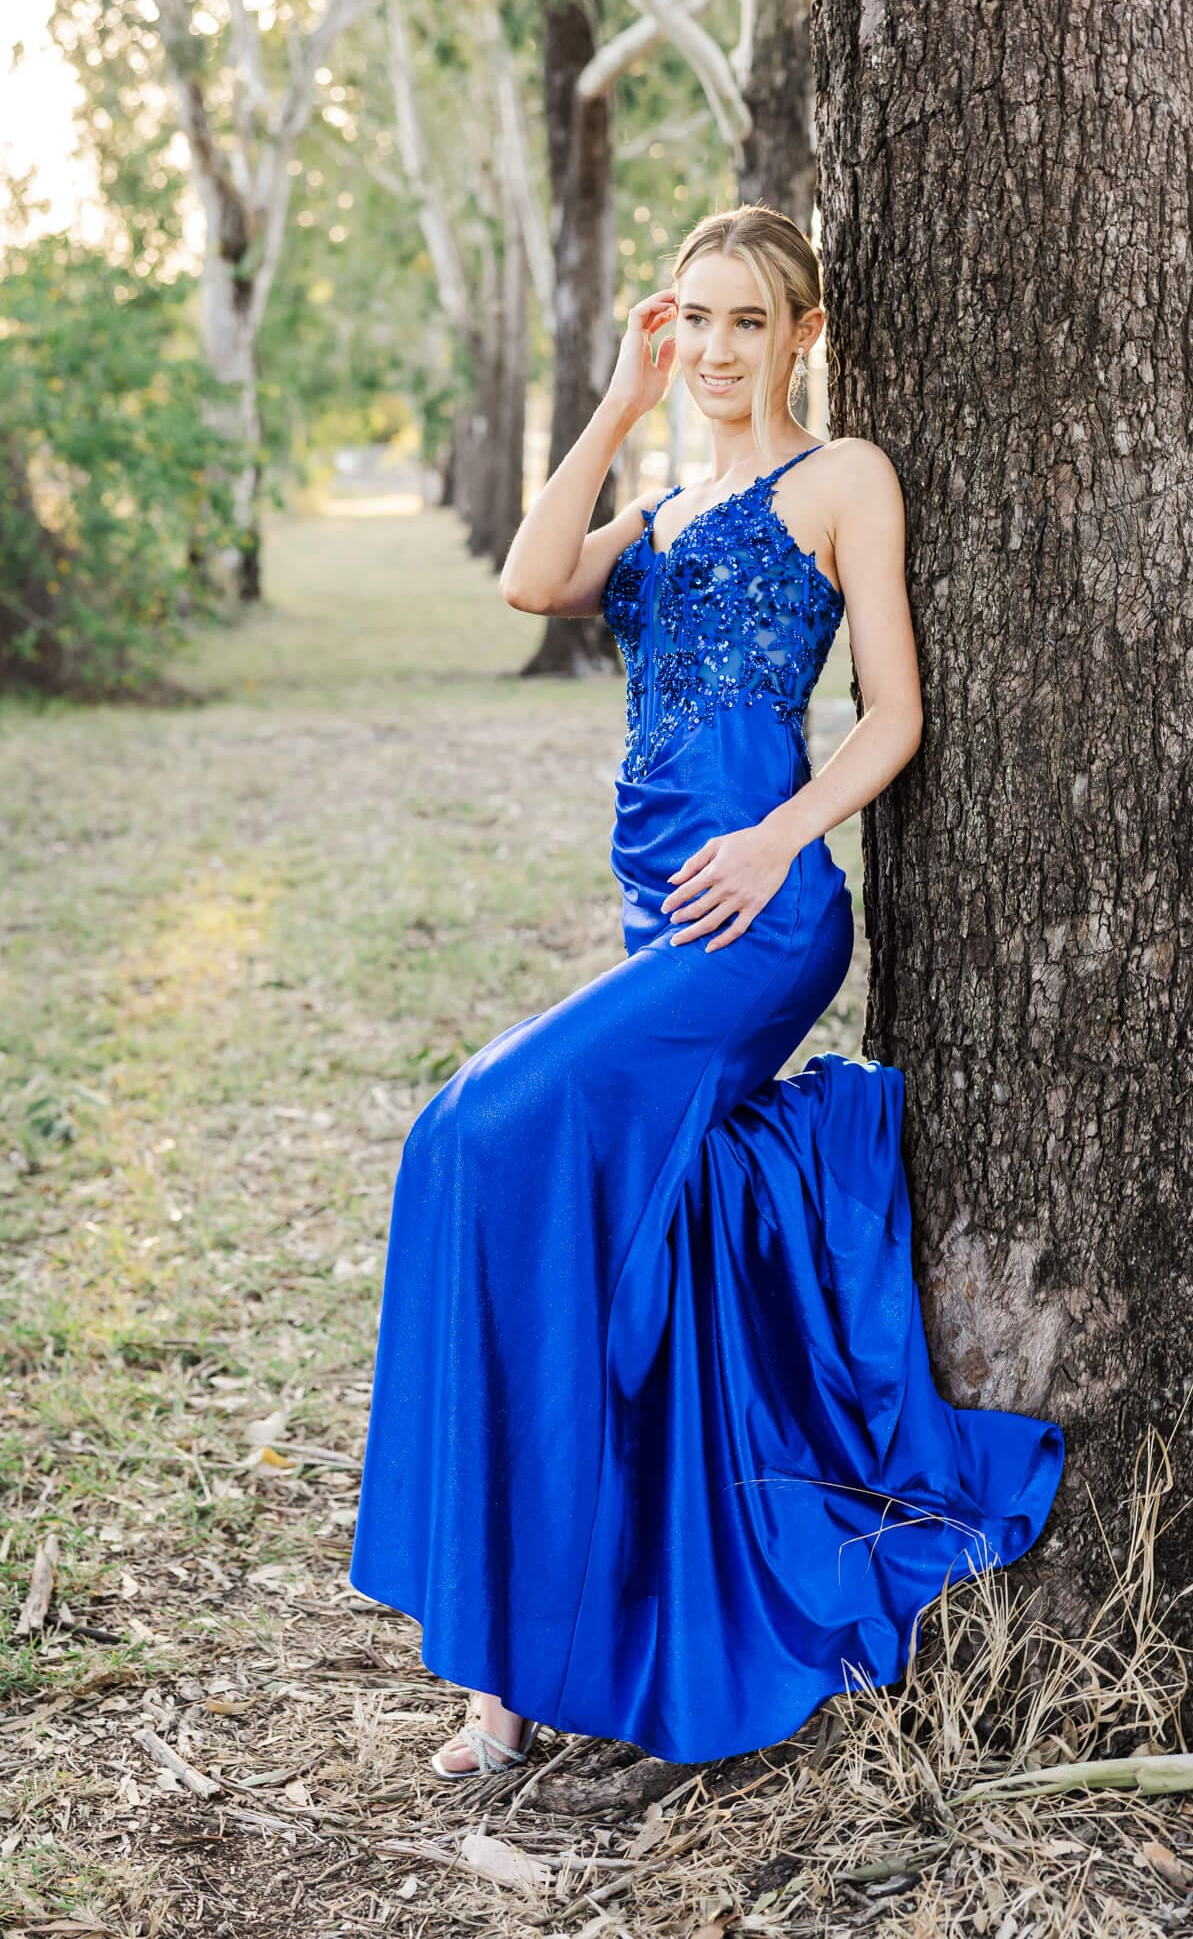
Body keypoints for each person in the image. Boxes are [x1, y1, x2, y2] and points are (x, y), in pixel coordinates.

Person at [348, 204, 1064, 1779]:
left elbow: (893, 714)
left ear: (803, 334)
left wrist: (777, 837)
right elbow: (533, 583)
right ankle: (515, 1666)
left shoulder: (838, 481)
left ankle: (506, 1648)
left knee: (470, 1136)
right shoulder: (663, 513)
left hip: (760, 912)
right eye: (696, 319)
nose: (720, 351)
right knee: (598, 1238)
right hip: (649, 921)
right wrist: (616, 399)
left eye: (749, 321)